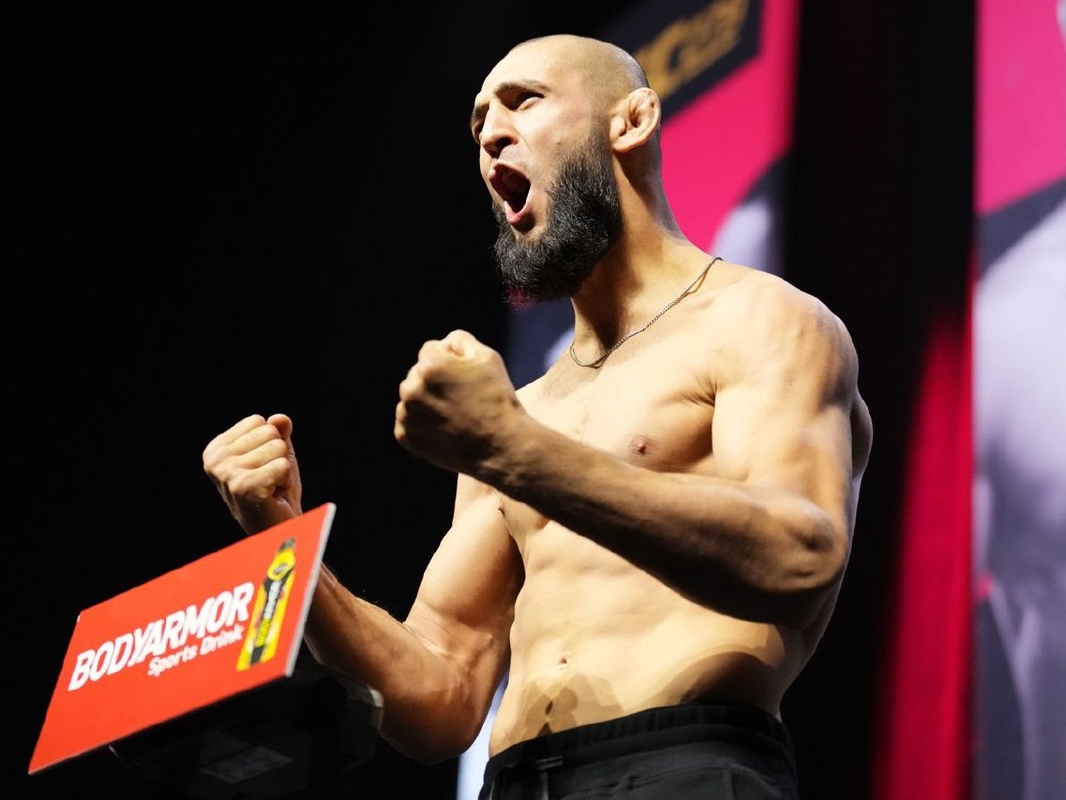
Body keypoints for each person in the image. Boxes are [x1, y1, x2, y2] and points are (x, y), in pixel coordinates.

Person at [203, 33, 873, 799]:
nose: (491, 133)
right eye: (479, 123)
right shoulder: (523, 411)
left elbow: (798, 559)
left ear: (631, 122)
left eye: (524, 102)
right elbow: (441, 700)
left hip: (683, 764)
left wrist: (513, 451)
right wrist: (284, 547)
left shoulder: (761, 319)